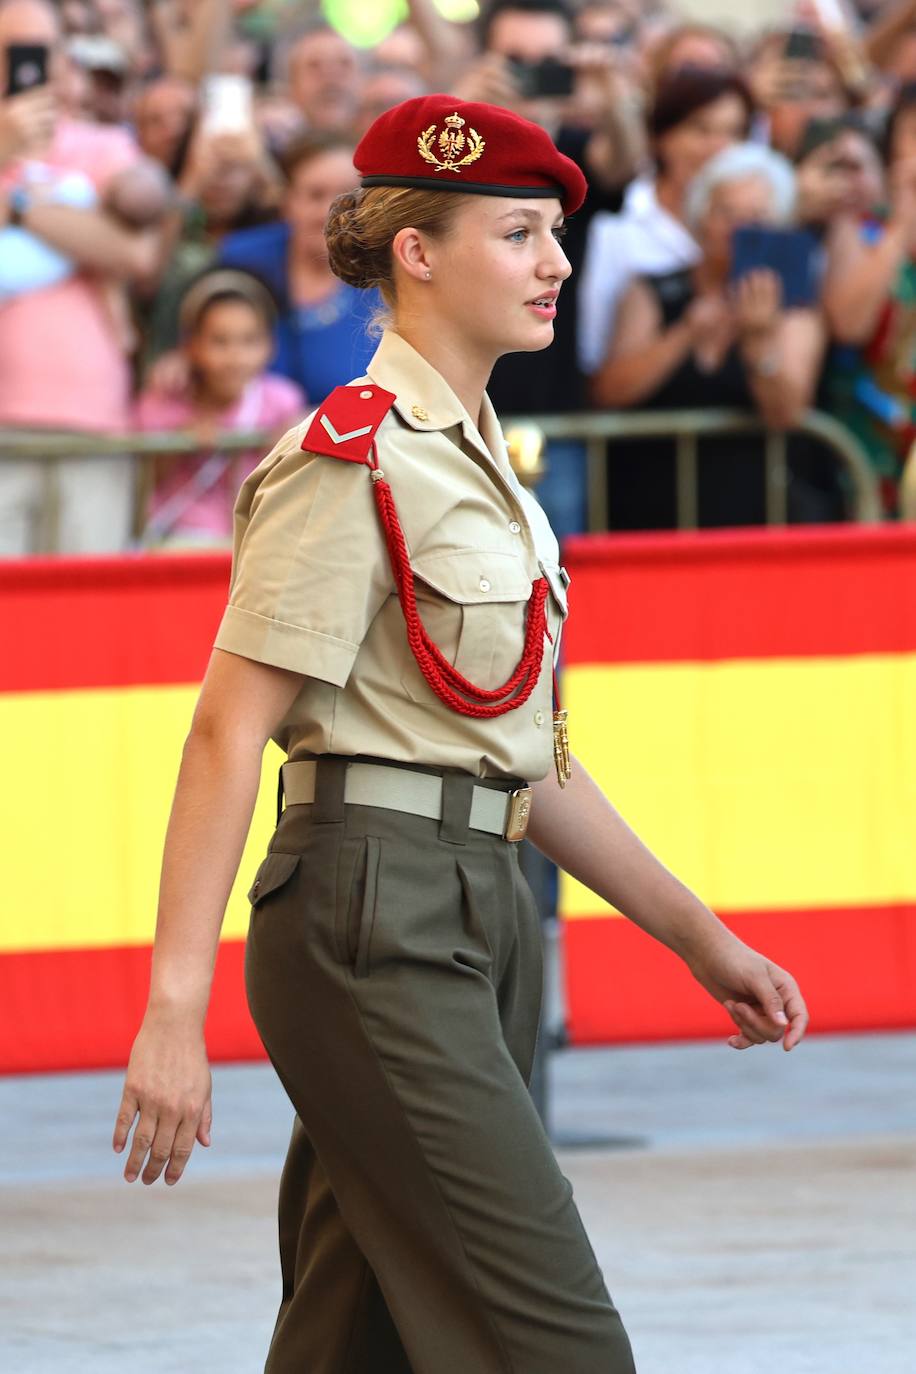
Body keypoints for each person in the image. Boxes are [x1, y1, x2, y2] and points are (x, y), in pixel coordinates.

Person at [112, 94, 809, 1374]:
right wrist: (172, 1011)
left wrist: (699, 940)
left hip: (482, 908)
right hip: (372, 913)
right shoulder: (352, 459)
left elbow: (525, 758)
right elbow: (228, 731)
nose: (555, 264)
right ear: (417, 252)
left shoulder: (486, 466)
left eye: (555, 235)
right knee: (557, 1340)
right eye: (519, 233)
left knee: (358, 1326)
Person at [590, 141, 831, 528]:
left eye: (756, 216)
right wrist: (683, 334)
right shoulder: (653, 290)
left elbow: (786, 412)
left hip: (757, 520)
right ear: (700, 219)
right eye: (726, 212)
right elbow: (610, 391)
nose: (739, 229)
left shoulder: (795, 306)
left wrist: (759, 342)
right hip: (648, 513)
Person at [577, 66, 755, 382]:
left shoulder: (761, 219)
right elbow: (591, 350)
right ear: (661, 136)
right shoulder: (617, 224)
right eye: (701, 129)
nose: (720, 147)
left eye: (735, 132)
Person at [133, 270, 305, 548]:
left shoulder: (283, 402)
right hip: (180, 541)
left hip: (254, 538)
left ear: (270, 345)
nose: (235, 356)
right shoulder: (162, 402)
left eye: (249, 340)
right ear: (191, 346)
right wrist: (179, 443)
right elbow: (143, 478)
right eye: (220, 341)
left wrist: (291, 439)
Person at [217, 132, 380, 401]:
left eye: (347, 197)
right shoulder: (241, 258)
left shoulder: (385, 277)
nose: (331, 212)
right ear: (287, 201)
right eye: (315, 195)